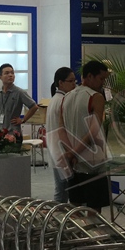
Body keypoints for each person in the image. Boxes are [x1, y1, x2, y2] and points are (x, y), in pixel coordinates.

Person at [60, 60, 111, 212]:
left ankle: (75, 229)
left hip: (74, 162)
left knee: (75, 207)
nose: (103, 83)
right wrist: (74, 153)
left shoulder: (66, 97)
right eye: (101, 78)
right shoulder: (96, 97)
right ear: (89, 76)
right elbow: (94, 131)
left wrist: (70, 153)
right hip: (92, 162)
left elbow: (61, 130)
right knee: (94, 210)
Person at [45, 66, 77, 203]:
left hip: (56, 150)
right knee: (63, 192)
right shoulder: (63, 100)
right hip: (63, 151)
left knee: (62, 190)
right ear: (60, 83)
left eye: (75, 81)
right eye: (71, 81)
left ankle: (57, 215)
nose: (74, 84)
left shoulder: (54, 99)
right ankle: (57, 216)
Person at [0, 63, 39, 134]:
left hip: (14, 132)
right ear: (0, 77)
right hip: (0, 131)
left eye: (12, 73)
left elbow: (34, 107)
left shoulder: (19, 92)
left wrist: (23, 120)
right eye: (7, 73)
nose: (10, 75)